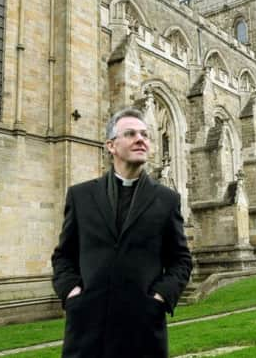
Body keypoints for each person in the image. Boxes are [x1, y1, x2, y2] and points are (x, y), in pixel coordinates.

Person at [52, 107, 192, 358]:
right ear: (111, 146)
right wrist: (71, 293)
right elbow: (63, 256)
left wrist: (160, 297)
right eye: (130, 134)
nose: (141, 139)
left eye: (145, 134)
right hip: (87, 330)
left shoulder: (167, 199)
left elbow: (181, 261)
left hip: (143, 330)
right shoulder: (81, 196)